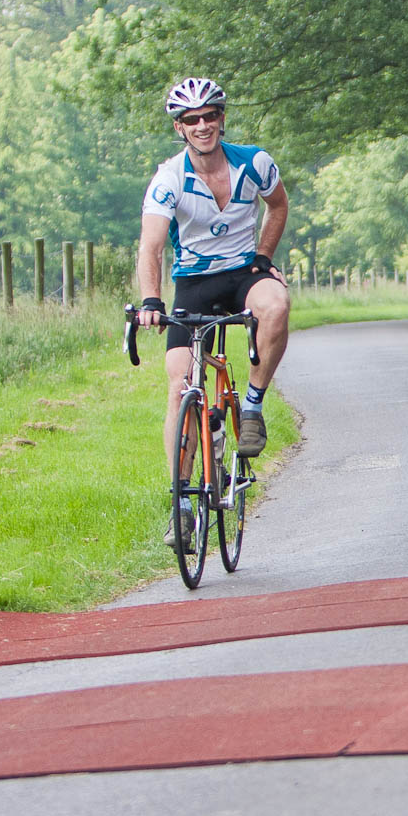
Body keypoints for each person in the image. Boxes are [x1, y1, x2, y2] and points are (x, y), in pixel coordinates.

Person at [136, 77, 291, 547]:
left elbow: (278, 205)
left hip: (244, 272)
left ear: (222, 119)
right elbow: (152, 246)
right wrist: (150, 302)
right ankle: (181, 504)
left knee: (277, 303)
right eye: (191, 120)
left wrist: (264, 256)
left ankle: (251, 408)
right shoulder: (169, 179)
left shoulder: (254, 162)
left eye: (210, 116)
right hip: (195, 283)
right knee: (180, 381)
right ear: (180, 128)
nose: (203, 126)